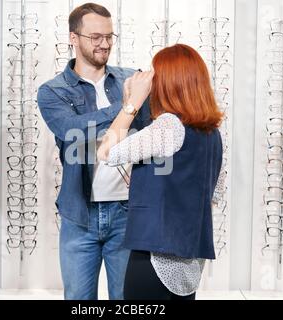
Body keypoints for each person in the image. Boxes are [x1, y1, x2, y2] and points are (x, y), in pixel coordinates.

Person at [37, 3, 150, 300]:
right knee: (79, 300)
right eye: (96, 37)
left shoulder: (130, 78)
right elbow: (70, 130)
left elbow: (154, 133)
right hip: (79, 216)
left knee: (128, 300)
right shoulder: (53, 91)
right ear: (73, 38)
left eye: (110, 36)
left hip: (127, 213)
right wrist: (125, 106)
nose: (105, 44)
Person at [98, 44, 224, 300]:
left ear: (168, 83)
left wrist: (131, 104)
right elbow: (213, 194)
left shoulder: (169, 126)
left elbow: (107, 152)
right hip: (189, 258)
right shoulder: (213, 134)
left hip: (154, 256)